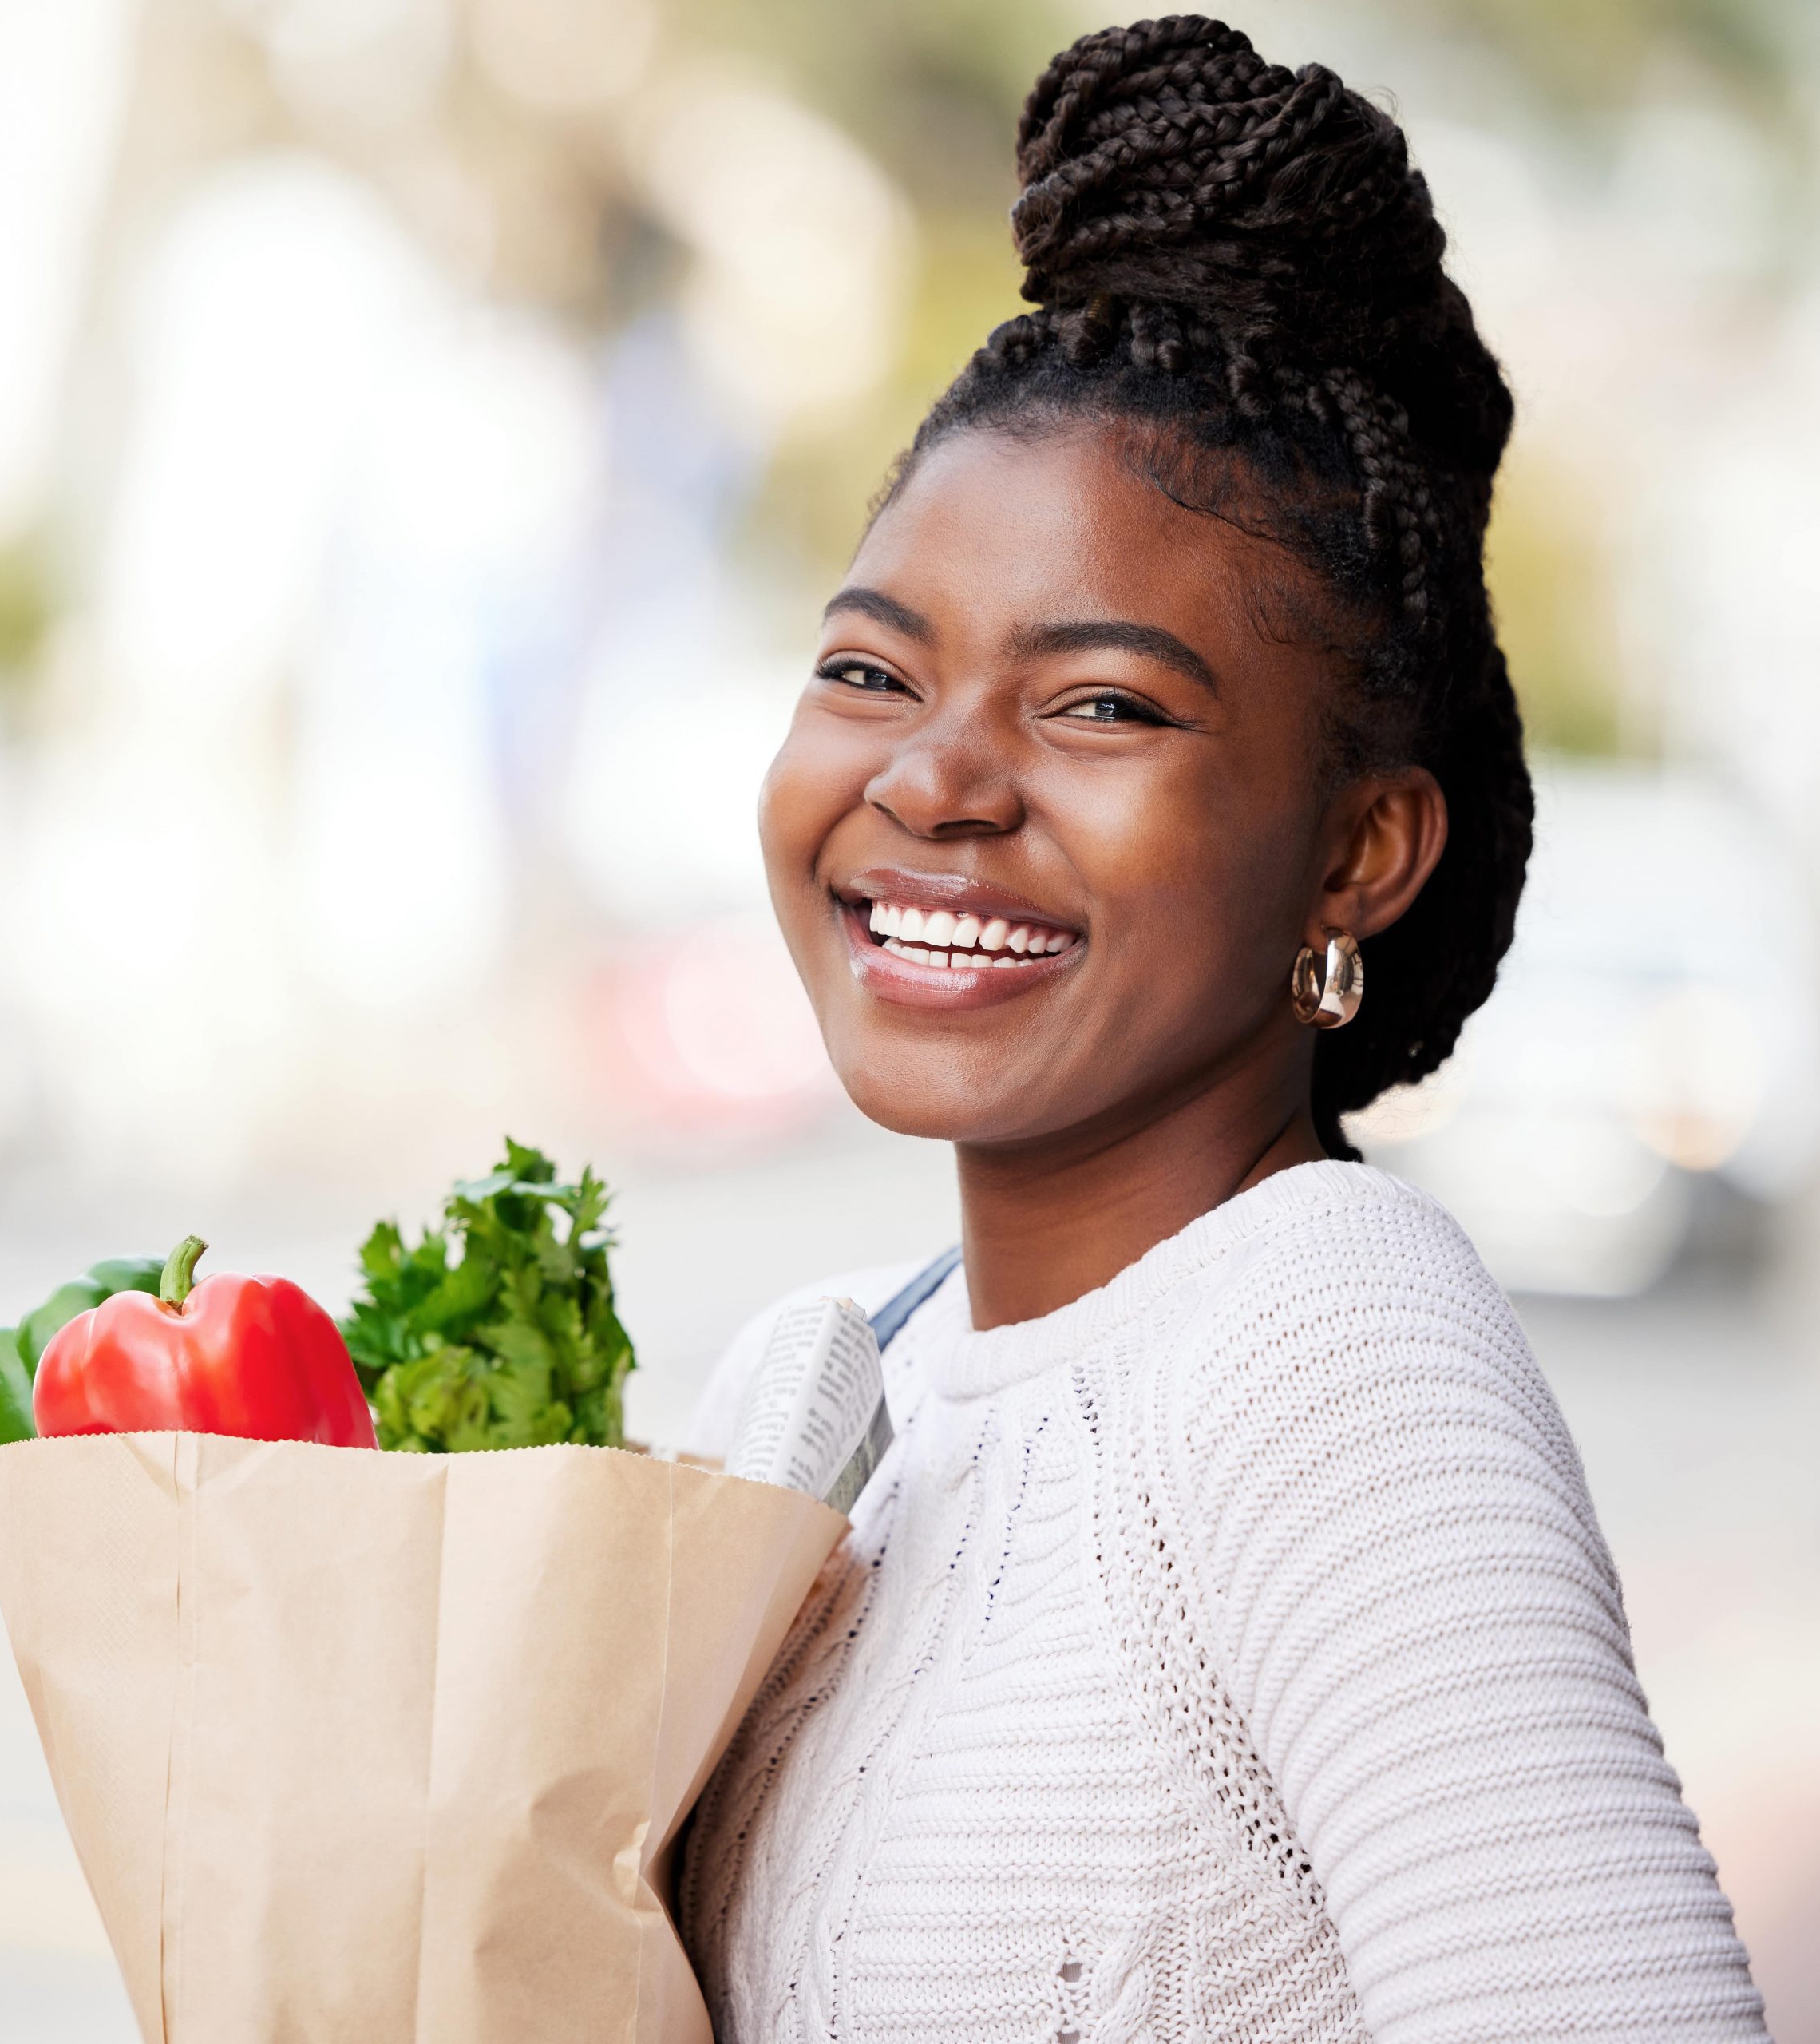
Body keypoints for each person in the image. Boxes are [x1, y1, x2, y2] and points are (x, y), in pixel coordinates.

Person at [676, 18, 1770, 2043]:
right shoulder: (813, 1380)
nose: (935, 778)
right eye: (867, 665)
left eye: (1102, 704)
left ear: (1360, 848)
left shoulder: (1322, 1349)